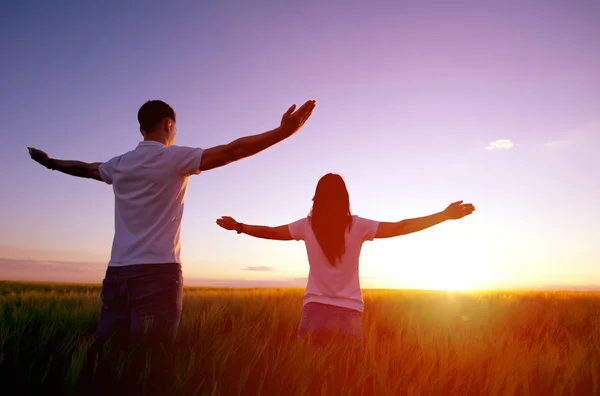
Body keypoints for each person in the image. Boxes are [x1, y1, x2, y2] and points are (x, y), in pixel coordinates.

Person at [27, 99, 316, 347]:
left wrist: (52, 163)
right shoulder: (175, 157)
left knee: (110, 358)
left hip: (116, 274)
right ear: (168, 125)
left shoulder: (120, 164)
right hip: (157, 274)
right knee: (152, 364)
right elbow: (232, 151)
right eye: (175, 127)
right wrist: (282, 133)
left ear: (141, 129)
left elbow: (86, 169)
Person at [216, 173, 475, 353]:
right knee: (349, 381)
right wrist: (443, 216)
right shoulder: (358, 225)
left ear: (316, 197)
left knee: (310, 380)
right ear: (345, 197)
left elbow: (271, 232)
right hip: (349, 317)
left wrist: (239, 226)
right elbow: (402, 227)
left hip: (314, 313)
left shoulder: (306, 226)